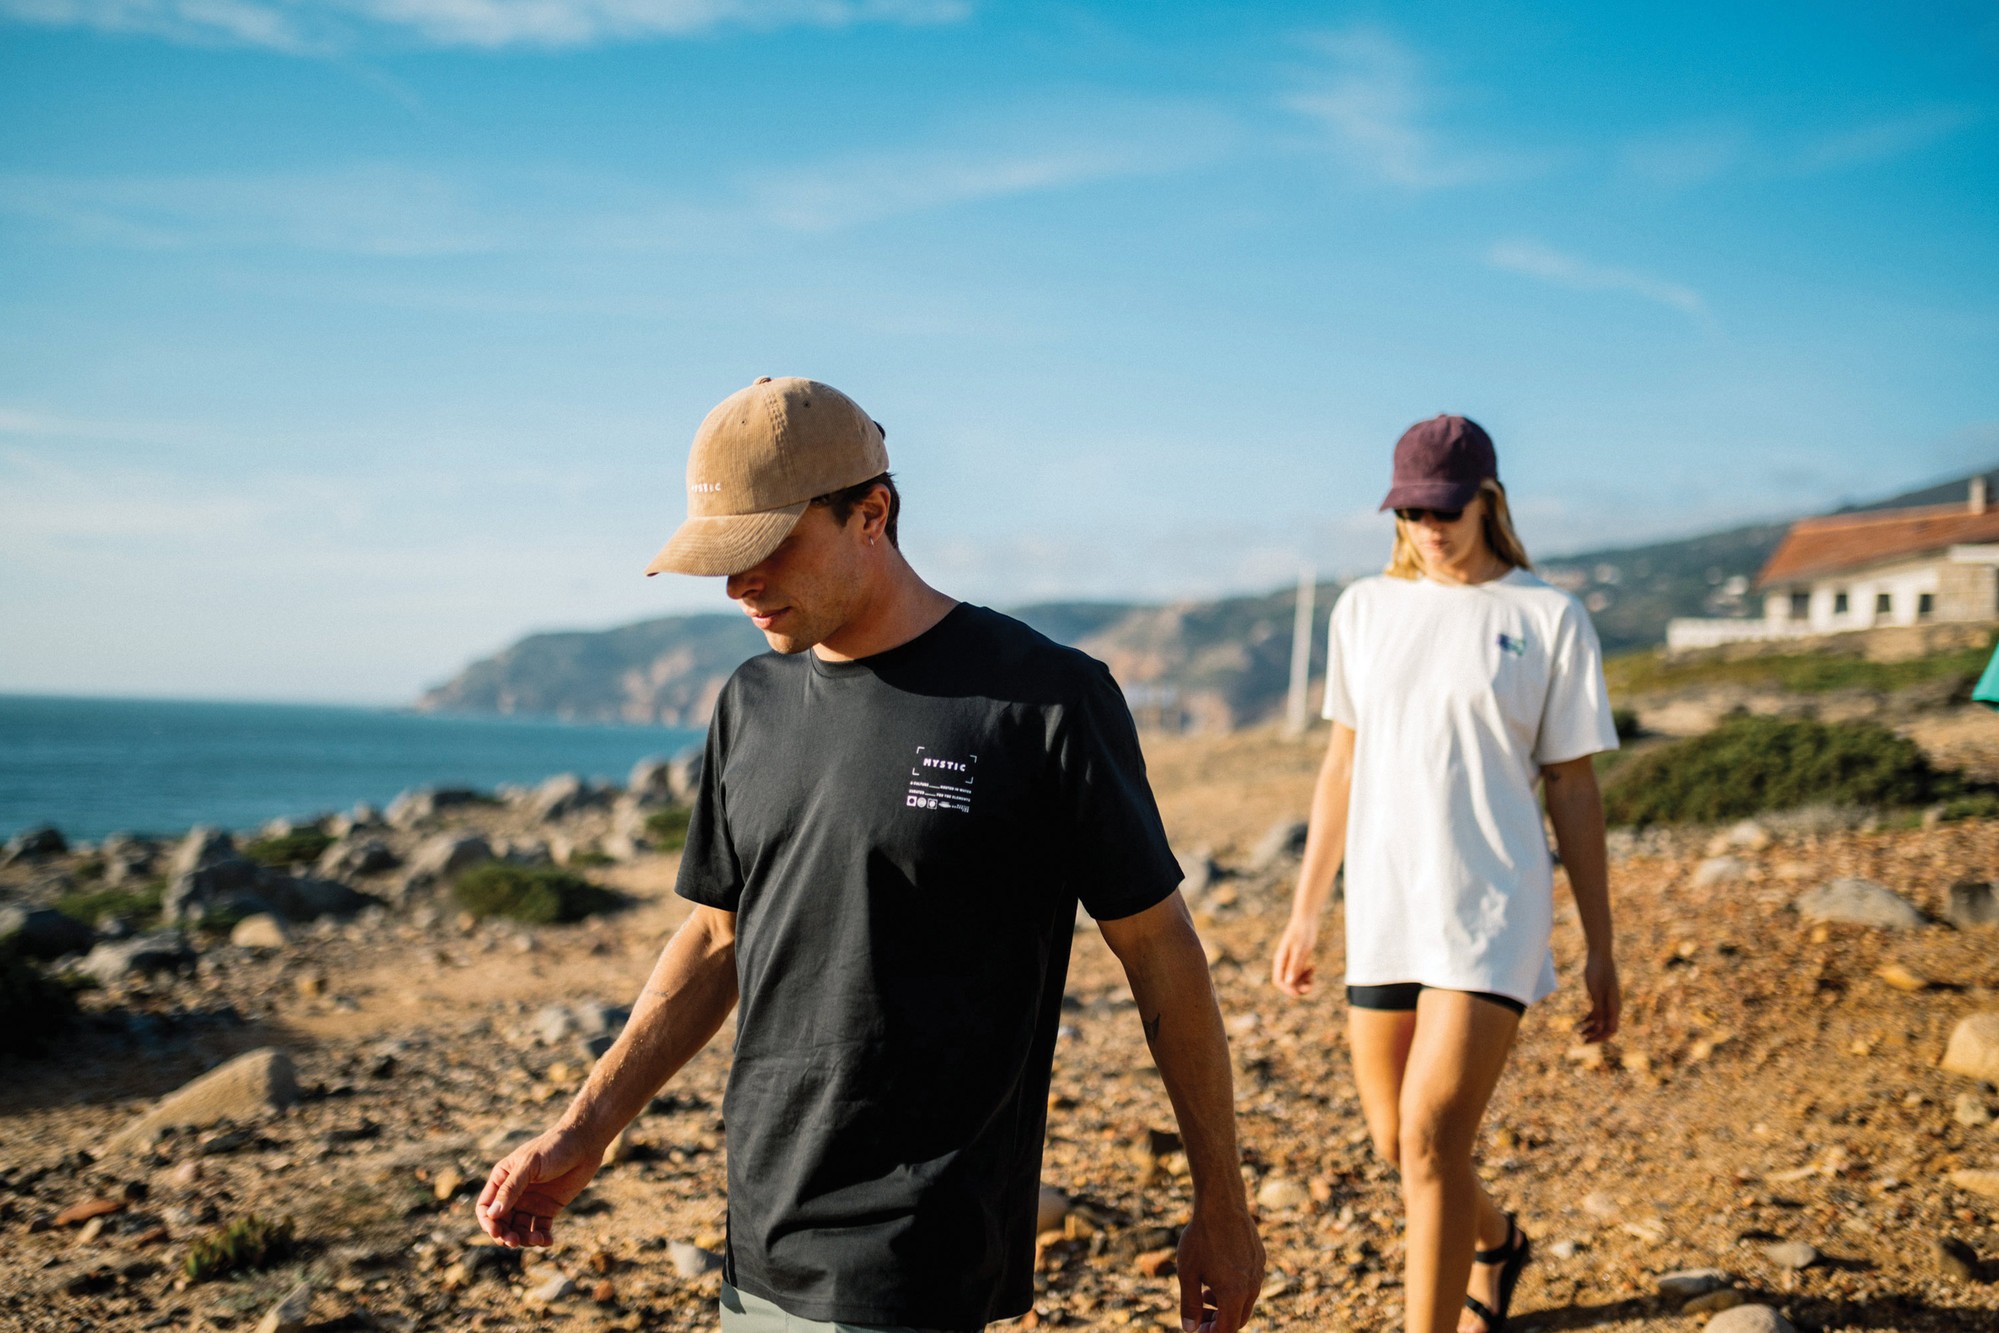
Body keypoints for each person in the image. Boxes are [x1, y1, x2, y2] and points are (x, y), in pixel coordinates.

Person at [476, 377, 1264, 1333]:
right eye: (721, 559)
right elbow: (718, 937)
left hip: (922, 1243)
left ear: (871, 514)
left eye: (766, 546)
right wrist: (582, 1128)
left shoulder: (1044, 700)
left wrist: (1221, 1202)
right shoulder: (751, 702)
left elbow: (1159, 947)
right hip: (760, 1229)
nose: (738, 585)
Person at [1270, 415, 1621, 1333]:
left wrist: (1599, 944)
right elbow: (1341, 765)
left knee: (1430, 1138)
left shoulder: (1547, 617)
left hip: (1492, 907)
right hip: (1385, 905)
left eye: (1444, 508)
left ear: (1486, 500)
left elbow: (1573, 787)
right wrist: (1305, 911)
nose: (1428, 526)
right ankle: (1498, 1244)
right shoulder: (1363, 610)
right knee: (1399, 1140)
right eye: (1411, 510)